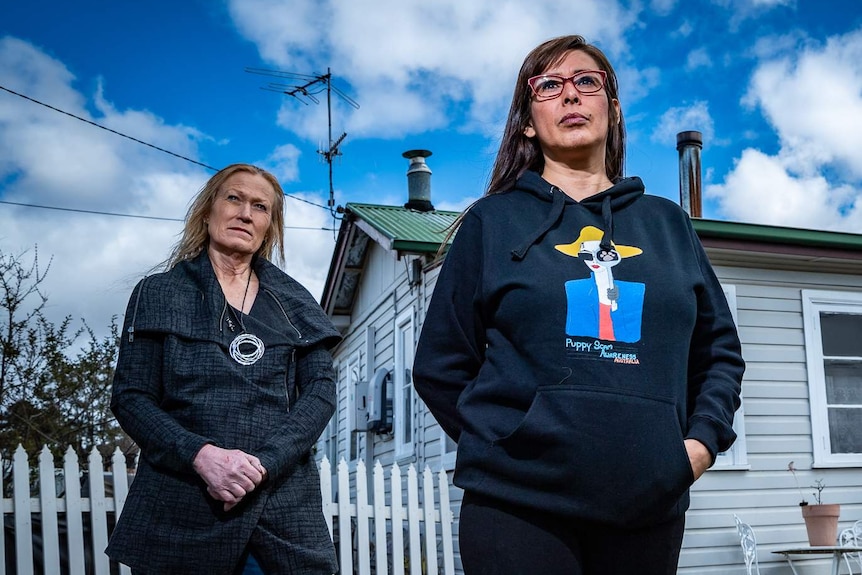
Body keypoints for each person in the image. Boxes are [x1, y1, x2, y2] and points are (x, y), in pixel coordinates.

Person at [412, 35, 744, 575]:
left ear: (611, 109)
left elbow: (719, 355)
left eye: (586, 82)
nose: (570, 96)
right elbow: (441, 366)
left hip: (648, 503)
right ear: (526, 121)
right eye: (549, 86)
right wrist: (509, 444)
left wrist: (695, 449)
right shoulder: (492, 223)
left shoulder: (667, 224)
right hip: (519, 507)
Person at [106, 164, 340, 575]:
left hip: (281, 507)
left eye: (260, 206)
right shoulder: (159, 293)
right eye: (234, 198)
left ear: (270, 226)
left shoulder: (297, 303)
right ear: (208, 210)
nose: (245, 213)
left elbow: (320, 394)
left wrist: (263, 464)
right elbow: (131, 397)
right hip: (182, 504)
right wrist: (201, 456)